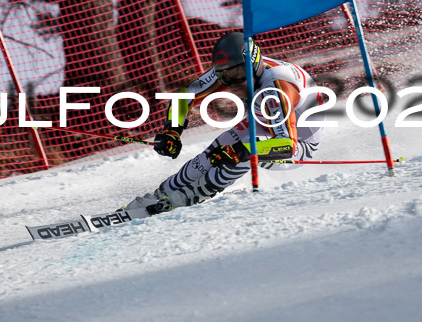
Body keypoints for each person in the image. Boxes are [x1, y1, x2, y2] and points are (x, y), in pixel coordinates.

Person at [124, 31, 324, 215]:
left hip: (299, 146)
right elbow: (185, 95)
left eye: (237, 75)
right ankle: (160, 196)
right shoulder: (233, 69)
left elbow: (287, 146)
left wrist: (239, 152)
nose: (232, 84)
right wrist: (172, 130)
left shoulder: (276, 88)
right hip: (265, 122)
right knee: (212, 153)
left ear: (253, 65)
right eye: (224, 77)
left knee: (243, 148)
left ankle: (194, 194)